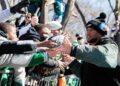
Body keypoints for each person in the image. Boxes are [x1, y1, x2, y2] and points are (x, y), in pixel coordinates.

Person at [50, 13, 119, 86]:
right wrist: (72, 63)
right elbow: (86, 75)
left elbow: (104, 56)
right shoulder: (90, 52)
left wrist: (73, 50)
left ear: (100, 33)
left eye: (91, 30)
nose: (87, 33)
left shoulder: (110, 46)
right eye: (87, 30)